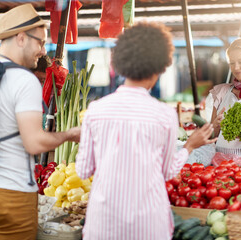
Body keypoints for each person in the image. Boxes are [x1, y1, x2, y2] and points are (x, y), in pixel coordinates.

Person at [76, 22, 217, 240]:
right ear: (161, 66)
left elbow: (84, 170)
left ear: (120, 63)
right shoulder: (164, 115)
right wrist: (189, 146)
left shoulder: (95, 111)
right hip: (149, 225)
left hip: (103, 224)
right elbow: (168, 171)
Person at [0, 4, 80, 240]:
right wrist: (71, 134)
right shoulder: (23, 80)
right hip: (11, 194)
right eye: (40, 42)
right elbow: (35, 144)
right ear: (20, 38)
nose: (42, 50)